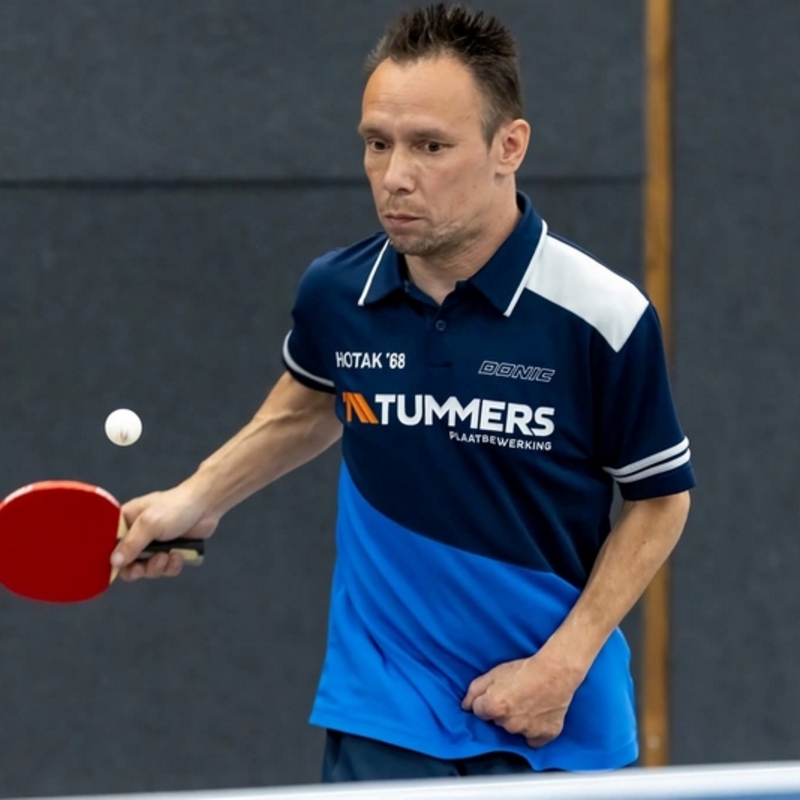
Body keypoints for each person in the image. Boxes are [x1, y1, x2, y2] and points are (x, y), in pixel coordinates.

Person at [112, 3, 694, 783]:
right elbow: (307, 405)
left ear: (509, 146)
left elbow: (659, 500)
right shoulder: (337, 294)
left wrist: (563, 664)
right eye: (377, 143)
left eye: (430, 146)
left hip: (553, 714)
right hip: (386, 706)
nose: (394, 176)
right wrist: (196, 498)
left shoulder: (602, 316)